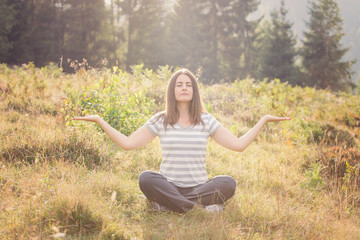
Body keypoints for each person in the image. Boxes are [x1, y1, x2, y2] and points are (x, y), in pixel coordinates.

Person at [73, 68, 291, 213]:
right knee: (146, 178)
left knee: (228, 183)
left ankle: (169, 207)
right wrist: (100, 120)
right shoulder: (160, 119)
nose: (184, 87)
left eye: (188, 84)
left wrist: (263, 120)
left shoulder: (206, 120)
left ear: (194, 91)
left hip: (199, 188)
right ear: (172, 90)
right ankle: (197, 209)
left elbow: (239, 145)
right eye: (179, 84)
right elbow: (128, 144)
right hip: (170, 186)